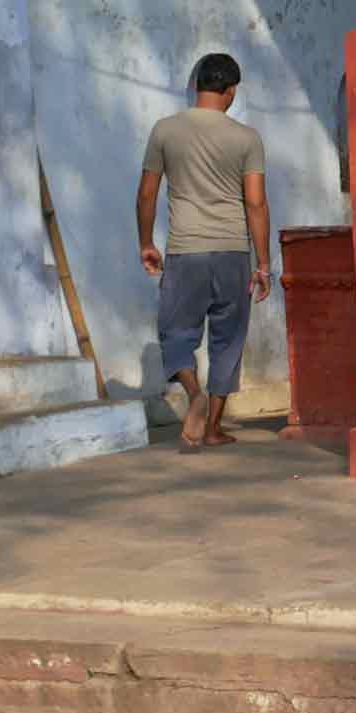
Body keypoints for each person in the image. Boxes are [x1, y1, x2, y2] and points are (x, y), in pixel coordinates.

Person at [136, 51, 270, 449]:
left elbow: (146, 193)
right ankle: (212, 427)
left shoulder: (165, 131)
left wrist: (146, 243)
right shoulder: (247, 138)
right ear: (230, 92)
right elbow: (256, 203)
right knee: (228, 340)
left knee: (176, 332)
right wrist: (262, 264)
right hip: (232, 253)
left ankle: (192, 391)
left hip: (184, 252)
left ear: (197, 87)